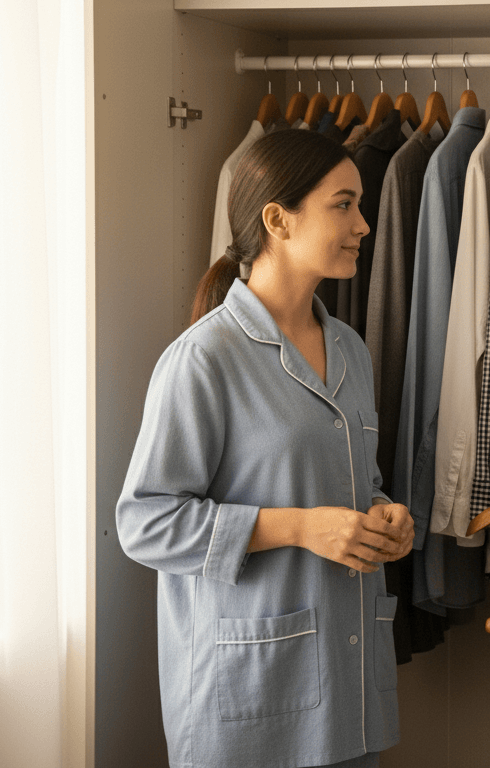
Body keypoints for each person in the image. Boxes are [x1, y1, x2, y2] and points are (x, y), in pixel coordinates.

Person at [116, 128, 414, 768]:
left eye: (360, 205)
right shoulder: (203, 359)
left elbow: (354, 483)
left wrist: (384, 515)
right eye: (344, 204)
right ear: (278, 220)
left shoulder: (351, 350)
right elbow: (145, 523)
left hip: (349, 689)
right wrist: (300, 528)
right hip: (249, 699)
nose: (364, 224)